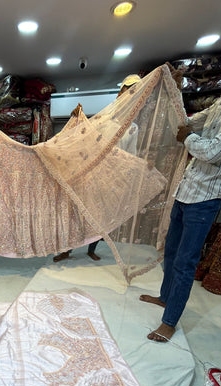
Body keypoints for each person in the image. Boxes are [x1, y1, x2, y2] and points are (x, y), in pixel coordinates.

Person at [140, 77, 221, 342]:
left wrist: (189, 137)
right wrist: (172, 91)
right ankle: (164, 298)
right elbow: (189, 120)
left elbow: (215, 151)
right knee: (171, 251)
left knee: (185, 262)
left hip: (207, 196)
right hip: (188, 189)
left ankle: (169, 322)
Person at [53, 74, 142, 263]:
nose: (128, 97)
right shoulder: (104, 119)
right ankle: (67, 250)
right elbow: (83, 135)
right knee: (77, 215)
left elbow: (132, 155)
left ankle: (91, 248)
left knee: (102, 217)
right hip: (91, 175)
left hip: (112, 180)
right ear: (120, 93)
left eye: (134, 93)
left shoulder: (133, 128)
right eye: (127, 91)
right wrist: (76, 119)